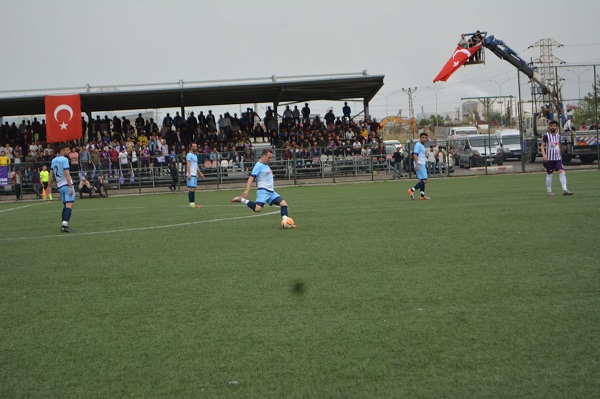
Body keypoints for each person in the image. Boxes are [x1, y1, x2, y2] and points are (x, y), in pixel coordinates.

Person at [231, 149, 296, 228]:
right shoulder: (258, 166)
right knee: (257, 209)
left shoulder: (265, 165)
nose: (270, 159)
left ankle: (286, 221)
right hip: (263, 191)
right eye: (269, 157)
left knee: (284, 204)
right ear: (263, 156)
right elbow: (251, 178)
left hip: (271, 192)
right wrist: (247, 190)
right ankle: (241, 199)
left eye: (271, 157)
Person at [48, 143, 76, 232]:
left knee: (65, 205)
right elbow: (67, 173)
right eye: (67, 150)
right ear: (62, 150)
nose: (69, 151)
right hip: (66, 185)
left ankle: (64, 224)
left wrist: (49, 186)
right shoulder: (64, 159)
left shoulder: (54, 160)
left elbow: (51, 174)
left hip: (60, 186)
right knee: (69, 205)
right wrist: (70, 186)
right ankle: (64, 225)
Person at [541, 120, 573, 196]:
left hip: (557, 159)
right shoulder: (546, 136)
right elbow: (542, 146)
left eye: (554, 126)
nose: (552, 127)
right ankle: (549, 191)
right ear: (549, 127)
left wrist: (562, 148)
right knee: (549, 174)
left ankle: (565, 190)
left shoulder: (558, 136)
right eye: (551, 126)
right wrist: (544, 155)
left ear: (557, 127)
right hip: (550, 159)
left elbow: (556, 145)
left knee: (562, 172)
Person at [407, 132, 431, 200]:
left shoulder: (422, 146)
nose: (424, 139)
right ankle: (411, 190)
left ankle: (422, 195)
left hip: (421, 163)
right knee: (425, 180)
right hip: (419, 164)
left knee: (422, 180)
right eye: (423, 137)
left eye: (425, 138)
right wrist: (417, 164)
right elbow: (415, 154)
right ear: (420, 138)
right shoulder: (418, 145)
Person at [186, 142, 205, 208]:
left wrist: (200, 173)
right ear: (191, 147)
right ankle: (191, 204)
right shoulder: (189, 155)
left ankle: (192, 203)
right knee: (191, 189)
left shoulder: (195, 156)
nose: (195, 147)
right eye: (193, 146)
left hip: (194, 174)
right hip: (191, 174)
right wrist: (189, 174)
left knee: (193, 189)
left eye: (196, 146)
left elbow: (196, 166)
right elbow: (188, 165)